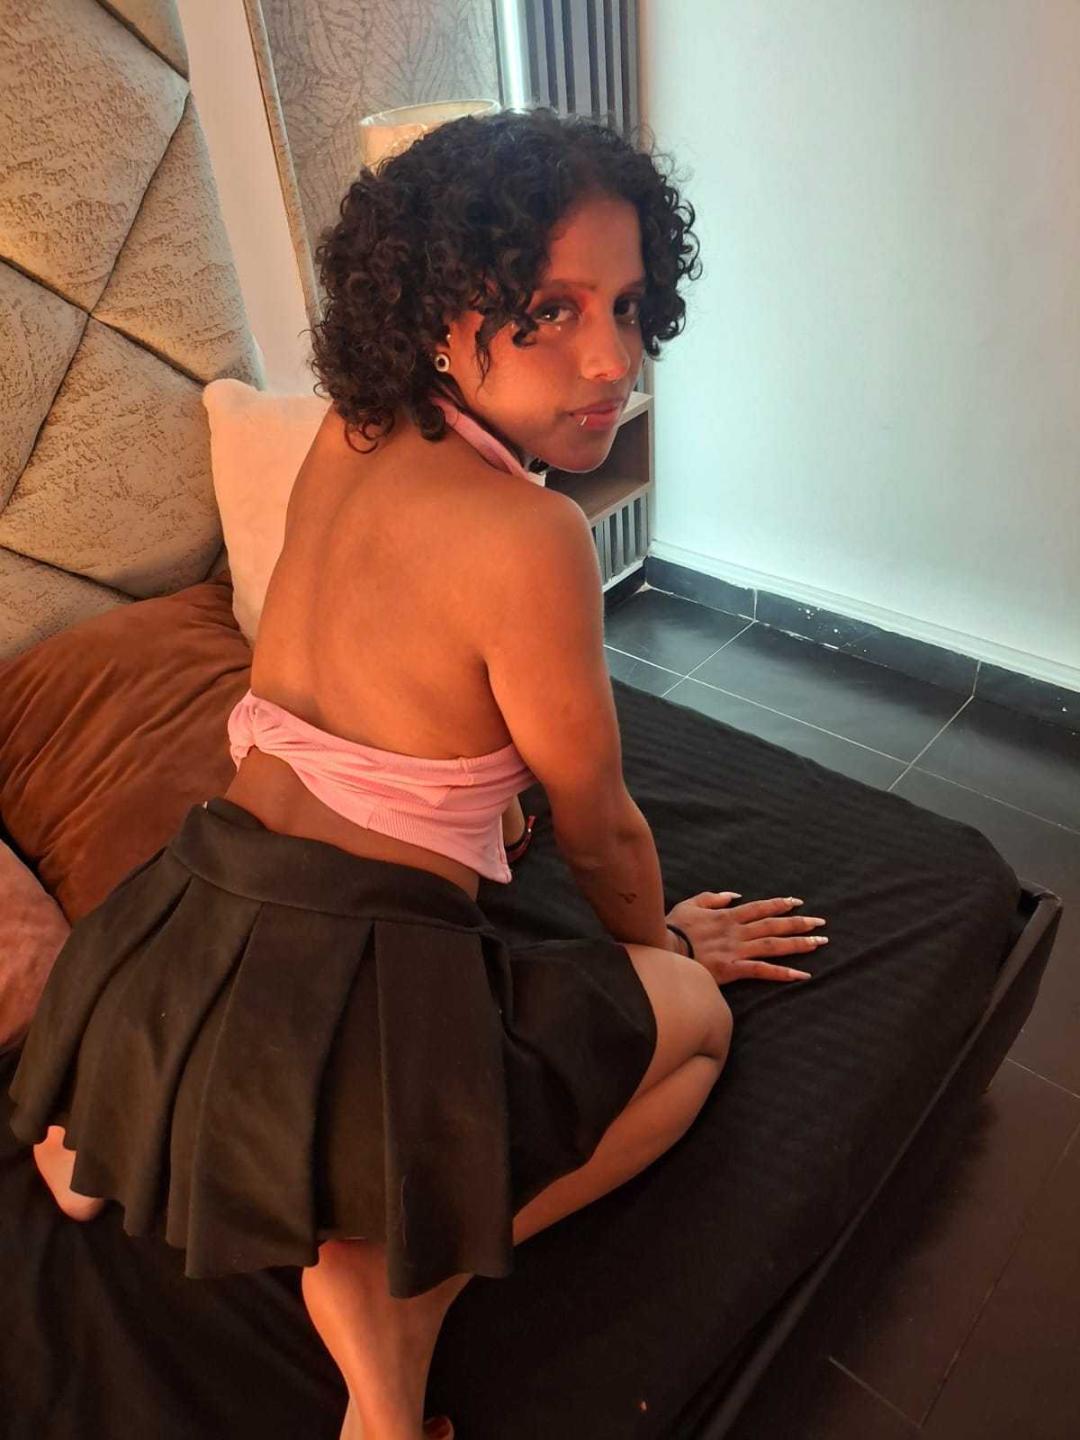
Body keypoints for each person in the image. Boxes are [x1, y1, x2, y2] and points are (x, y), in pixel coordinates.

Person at [8, 106, 828, 1440]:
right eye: (551, 310)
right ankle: (407, 1285)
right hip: (354, 985)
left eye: (627, 305)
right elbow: (602, 830)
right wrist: (661, 953)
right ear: (441, 310)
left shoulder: (348, 431)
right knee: (697, 1035)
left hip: (175, 931)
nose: (613, 358)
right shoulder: (529, 535)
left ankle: (117, 1141)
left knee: (125, 1117)